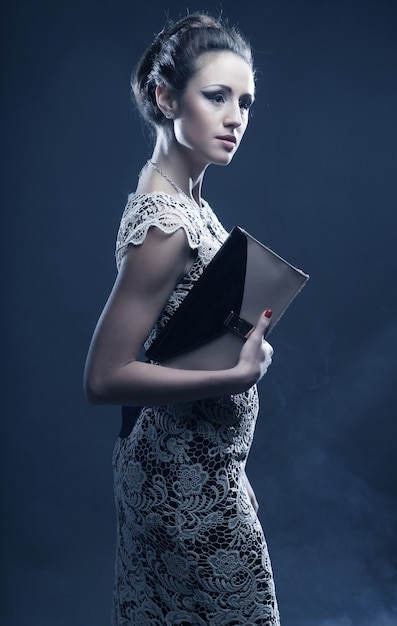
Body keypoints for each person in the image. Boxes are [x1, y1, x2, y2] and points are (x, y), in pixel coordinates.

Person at [84, 12, 280, 625]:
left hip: (199, 470)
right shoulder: (167, 222)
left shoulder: (187, 197)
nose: (236, 118)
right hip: (182, 485)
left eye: (245, 102)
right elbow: (105, 377)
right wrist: (232, 377)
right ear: (167, 97)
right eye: (216, 97)